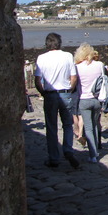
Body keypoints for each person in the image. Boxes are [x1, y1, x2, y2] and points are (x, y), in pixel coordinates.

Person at [34, 33, 80, 169]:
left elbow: (37, 80)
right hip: (65, 93)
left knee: (51, 126)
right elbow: (74, 77)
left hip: (50, 94)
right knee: (67, 124)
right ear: (59, 43)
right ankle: (68, 150)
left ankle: (54, 158)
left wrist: (43, 92)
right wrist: (70, 90)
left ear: (47, 44)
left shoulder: (41, 58)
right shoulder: (67, 56)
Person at [74, 43, 105, 164]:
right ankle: (96, 149)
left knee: (88, 128)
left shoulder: (77, 67)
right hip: (97, 100)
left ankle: (93, 154)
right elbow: (104, 79)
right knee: (94, 124)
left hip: (84, 99)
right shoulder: (99, 65)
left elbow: (74, 83)